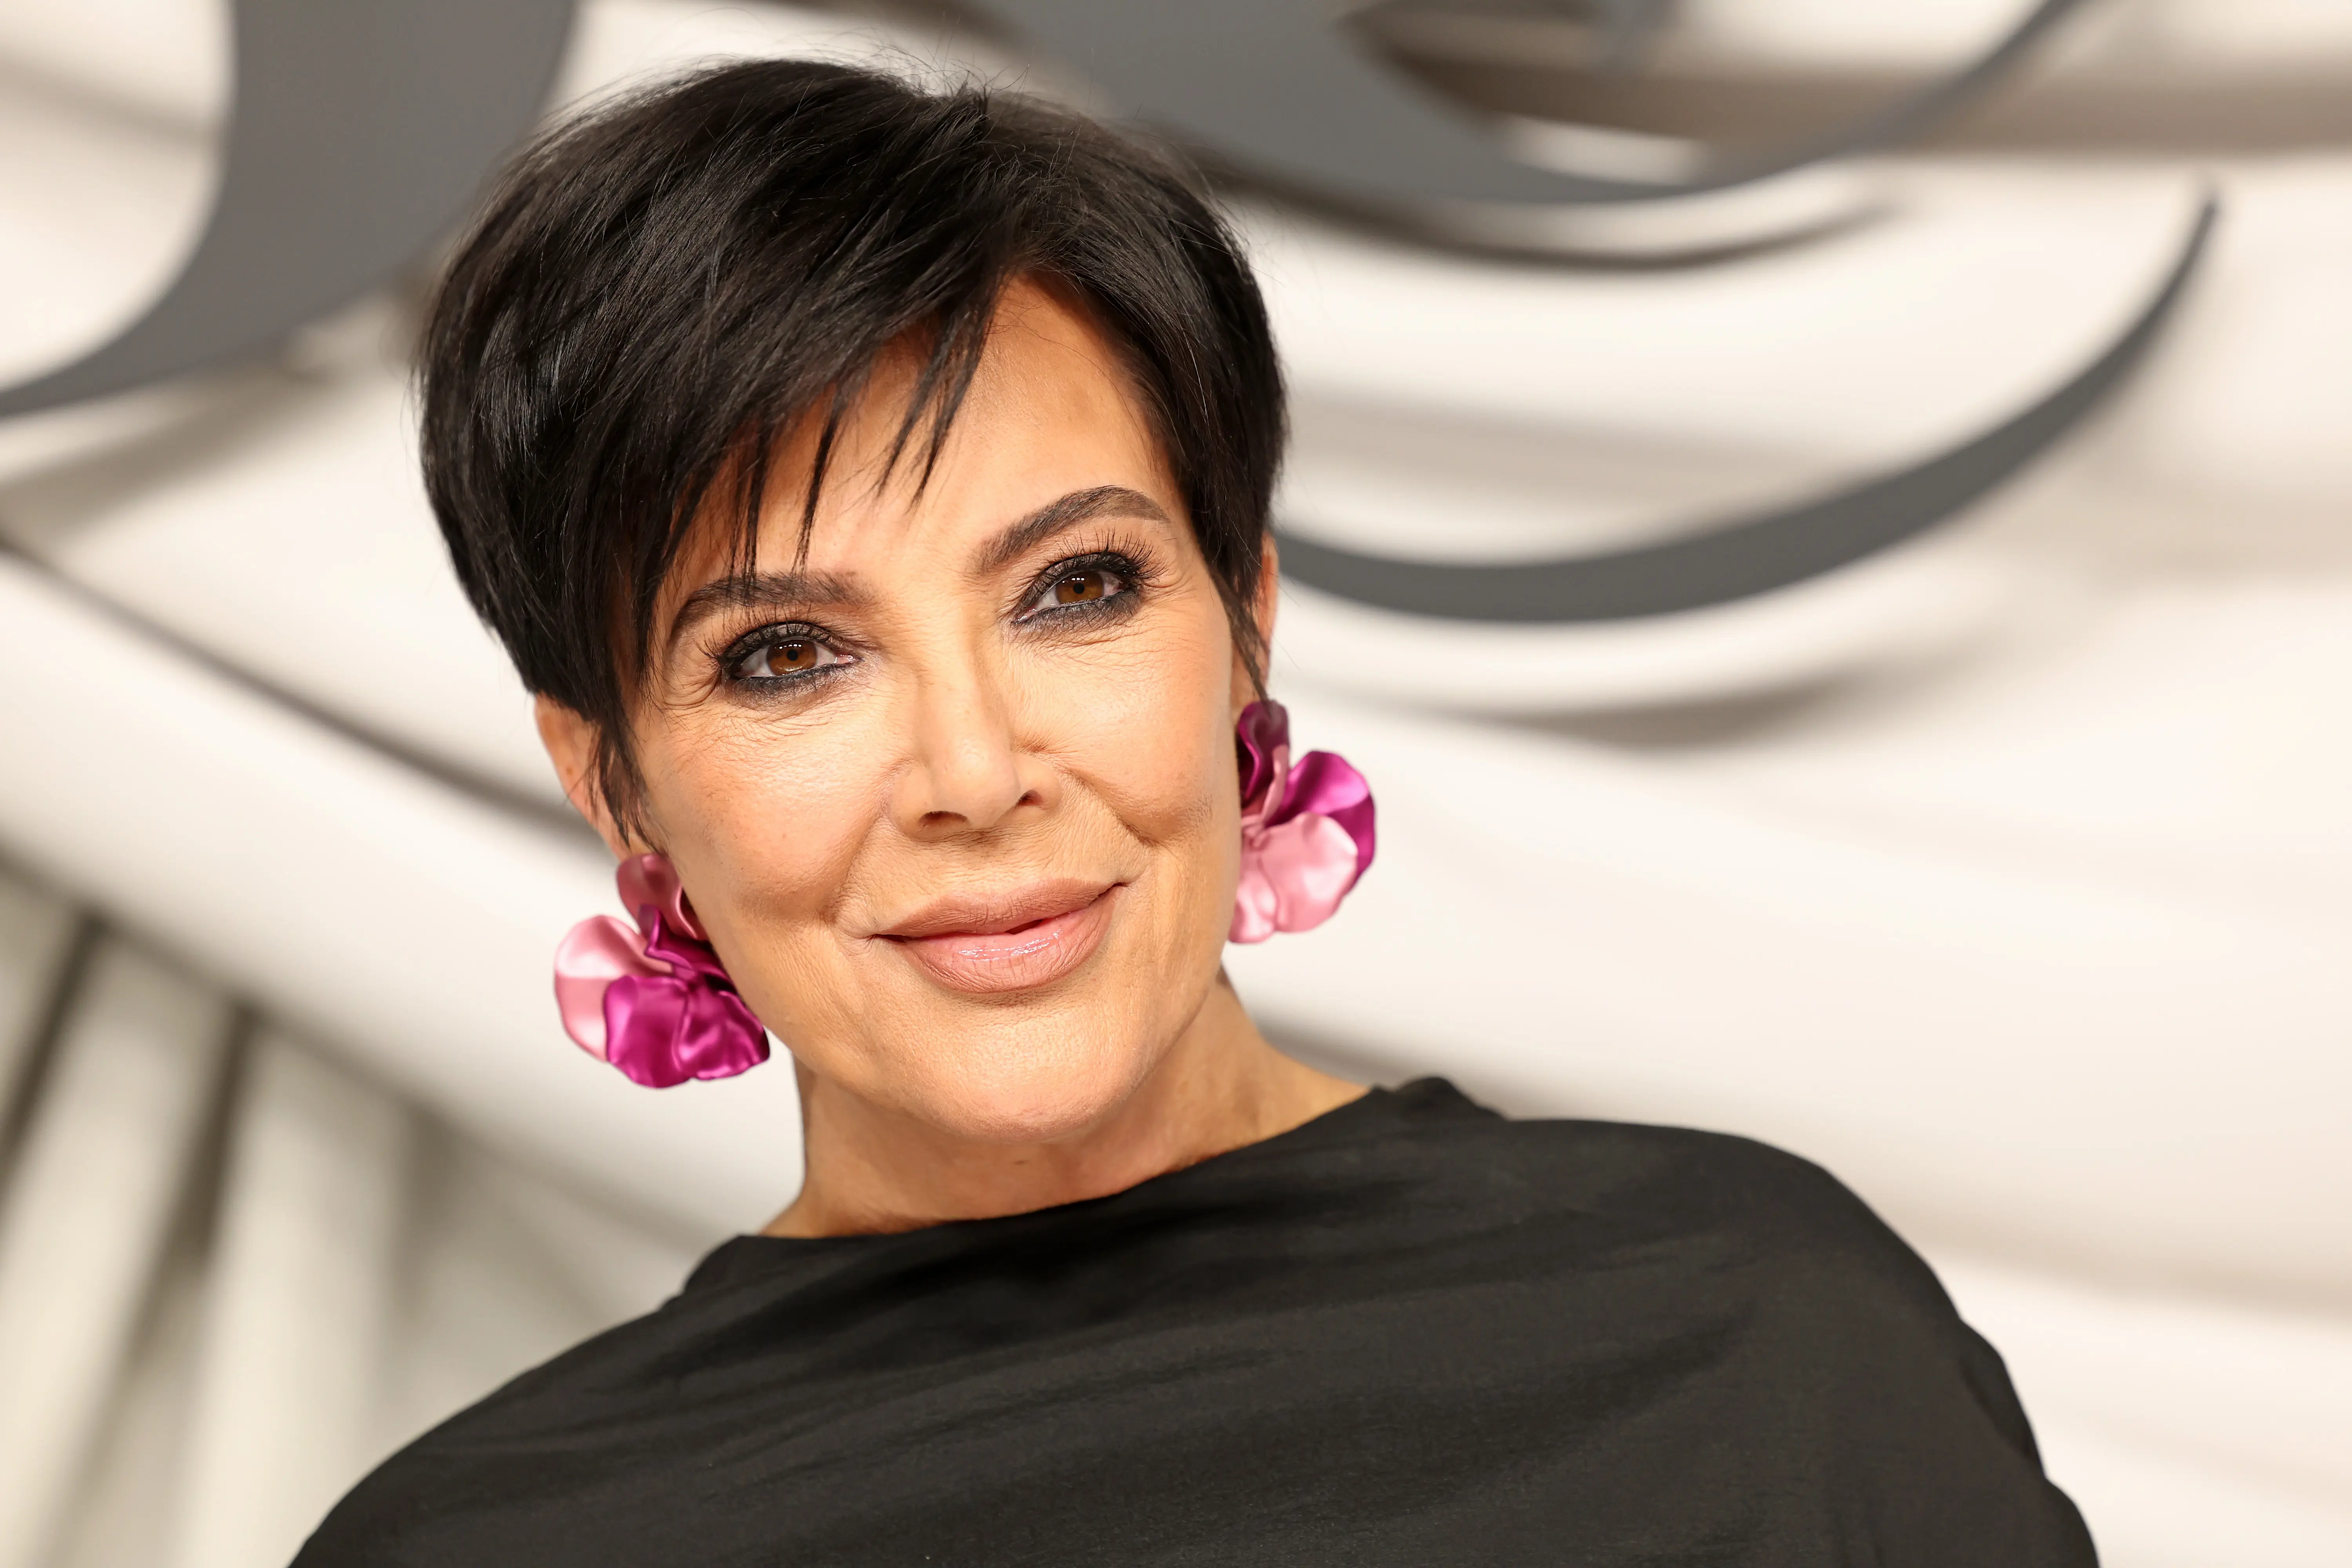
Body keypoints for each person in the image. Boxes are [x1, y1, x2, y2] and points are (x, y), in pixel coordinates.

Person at [296, 59, 2095, 1566]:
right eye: (785, 656)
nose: (977, 771)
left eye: (1074, 588)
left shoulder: (1756, 1339)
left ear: (1245, 625)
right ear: (611, 773)